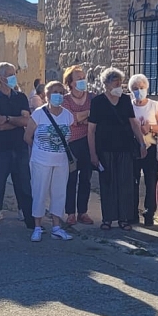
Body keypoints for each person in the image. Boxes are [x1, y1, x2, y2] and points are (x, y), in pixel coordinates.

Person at [88, 67, 147, 231]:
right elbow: (91, 130)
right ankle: (107, 218)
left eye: (121, 83)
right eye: (116, 83)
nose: (119, 86)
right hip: (105, 148)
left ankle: (124, 218)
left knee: (125, 183)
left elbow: (133, 123)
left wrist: (142, 143)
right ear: (106, 84)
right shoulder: (98, 102)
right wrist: (93, 153)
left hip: (125, 147)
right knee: (108, 183)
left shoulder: (125, 100)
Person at [0, 62, 34, 237]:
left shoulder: (20, 97)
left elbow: (27, 121)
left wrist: (6, 118)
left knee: (25, 186)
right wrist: (16, 120)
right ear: (1, 78)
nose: (14, 77)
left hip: (19, 148)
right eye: (11, 74)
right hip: (0, 150)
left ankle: (31, 221)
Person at [24, 81, 74, 242]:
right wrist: (40, 149)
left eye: (61, 92)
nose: (58, 95)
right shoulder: (38, 114)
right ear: (46, 96)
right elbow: (27, 137)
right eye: (54, 92)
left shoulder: (68, 115)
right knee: (39, 192)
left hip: (61, 161)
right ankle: (37, 226)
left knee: (59, 193)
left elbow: (68, 136)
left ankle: (56, 227)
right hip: (41, 161)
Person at [128, 74, 158, 227]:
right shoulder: (129, 106)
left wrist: (149, 127)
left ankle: (149, 213)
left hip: (151, 148)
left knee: (151, 181)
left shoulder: (154, 105)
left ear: (147, 88)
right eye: (135, 89)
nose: (139, 91)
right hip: (133, 147)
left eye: (141, 88)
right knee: (133, 181)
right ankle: (132, 212)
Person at [62, 66, 94, 226]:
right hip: (72, 144)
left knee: (86, 179)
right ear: (71, 82)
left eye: (83, 77)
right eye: (78, 78)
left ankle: (83, 212)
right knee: (71, 179)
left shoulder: (92, 97)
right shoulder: (65, 100)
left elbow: (95, 120)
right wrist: (87, 115)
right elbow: (70, 120)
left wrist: (81, 117)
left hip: (89, 142)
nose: (82, 80)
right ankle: (70, 213)